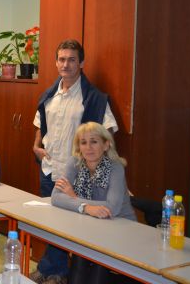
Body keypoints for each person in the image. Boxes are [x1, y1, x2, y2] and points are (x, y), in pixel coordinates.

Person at [30, 39, 118, 284]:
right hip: (50, 169)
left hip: (76, 174)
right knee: (51, 223)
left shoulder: (93, 98)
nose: (65, 64)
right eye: (61, 59)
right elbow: (40, 124)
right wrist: (37, 146)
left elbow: (109, 130)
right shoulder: (50, 96)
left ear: (81, 63)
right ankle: (51, 269)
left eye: (71, 59)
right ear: (56, 62)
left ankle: (58, 272)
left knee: (69, 225)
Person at [52, 122, 135, 284]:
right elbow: (55, 197)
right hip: (90, 227)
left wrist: (74, 198)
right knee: (79, 258)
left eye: (94, 141)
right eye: (83, 142)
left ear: (106, 145)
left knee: (97, 263)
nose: (88, 147)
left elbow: (112, 208)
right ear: (79, 147)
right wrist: (86, 208)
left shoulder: (115, 167)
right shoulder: (75, 163)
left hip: (121, 228)